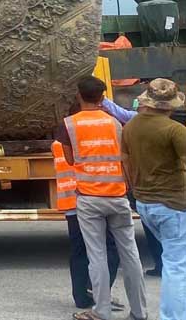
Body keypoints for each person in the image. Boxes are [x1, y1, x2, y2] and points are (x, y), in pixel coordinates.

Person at [60, 76, 146, 320]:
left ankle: (102, 311)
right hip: (118, 196)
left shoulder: (69, 124)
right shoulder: (116, 123)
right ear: (102, 98)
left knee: (96, 255)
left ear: (79, 95)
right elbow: (125, 159)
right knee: (130, 254)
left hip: (89, 198)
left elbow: (70, 159)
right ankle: (139, 311)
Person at [122, 78, 186, 320]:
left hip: (145, 202)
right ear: (170, 105)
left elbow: (125, 161)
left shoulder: (131, 126)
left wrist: (135, 191)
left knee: (173, 260)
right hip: (173, 203)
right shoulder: (174, 130)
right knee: (177, 266)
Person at [51, 134, 122, 313]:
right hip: (89, 200)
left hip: (70, 204)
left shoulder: (57, 144)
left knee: (79, 251)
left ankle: (82, 297)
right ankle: (96, 291)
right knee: (111, 248)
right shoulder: (86, 144)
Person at [100, 95, 166, 276]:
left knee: (152, 226)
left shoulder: (136, 122)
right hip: (159, 182)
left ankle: (162, 264)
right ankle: (165, 264)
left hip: (144, 182)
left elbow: (118, 112)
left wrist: (102, 99)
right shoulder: (166, 125)